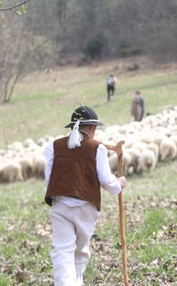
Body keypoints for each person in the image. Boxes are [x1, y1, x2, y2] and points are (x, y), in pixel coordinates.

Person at [44, 106, 127, 285]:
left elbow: (48, 179)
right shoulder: (97, 148)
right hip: (86, 207)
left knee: (62, 250)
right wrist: (118, 184)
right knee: (80, 251)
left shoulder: (54, 146)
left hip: (61, 206)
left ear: (72, 127)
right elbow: (106, 180)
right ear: (91, 128)